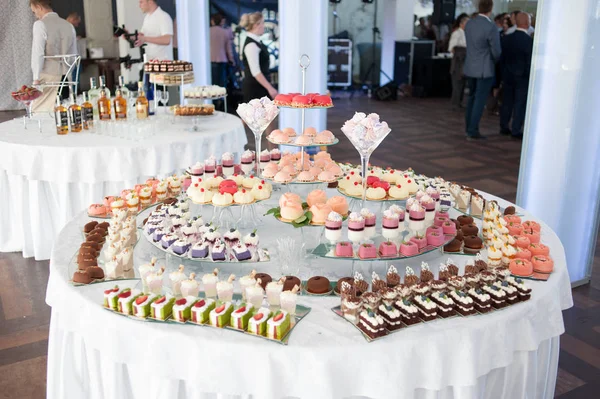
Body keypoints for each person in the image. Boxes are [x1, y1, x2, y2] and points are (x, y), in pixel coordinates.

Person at [463, 0, 501, 140]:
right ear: (490, 8)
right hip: (485, 68)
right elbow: (496, 51)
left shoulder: (470, 24)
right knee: (479, 100)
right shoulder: (490, 26)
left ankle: (468, 128)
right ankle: (473, 130)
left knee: (471, 98)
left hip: (470, 66)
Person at [30, 0, 77, 112]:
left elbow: (38, 53)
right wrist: (68, 72)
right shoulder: (69, 25)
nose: (35, 15)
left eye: (34, 11)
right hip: (66, 78)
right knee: (64, 111)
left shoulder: (40, 24)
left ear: (39, 7)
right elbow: (74, 55)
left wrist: (36, 79)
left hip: (48, 78)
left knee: (39, 113)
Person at [499, 13, 533, 139]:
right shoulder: (529, 41)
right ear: (526, 22)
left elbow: (501, 59)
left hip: (507, 75)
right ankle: (516, 129)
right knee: (520, 103)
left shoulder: (506, 38)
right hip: (522, 77)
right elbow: (529, 61)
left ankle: (504, 126)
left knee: (507, 101)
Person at [239, 12, 277, 101]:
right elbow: (256, 72)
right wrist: (270, 88)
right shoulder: (251, 45)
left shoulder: (256, 42)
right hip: (255, 90)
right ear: (256, 25)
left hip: (260, 88)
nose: (264, 26)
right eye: (263, 23)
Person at [449, 14, 469, 109]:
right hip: (458, 61)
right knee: (457, 83)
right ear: (462, 24)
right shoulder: (457, 33)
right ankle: (454, 103)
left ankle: (459, 102)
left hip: (465, 61)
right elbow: (452, 48)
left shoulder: (467, 33)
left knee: (462, 83)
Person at [210, 13, 234, 88]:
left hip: (210, 60)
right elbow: (228, 49)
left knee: (211, 83)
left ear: (212, 21)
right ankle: (221, 99)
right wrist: (232, 60)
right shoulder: (225, 32)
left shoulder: (207, 31)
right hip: (222, 60)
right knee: (221, 85)